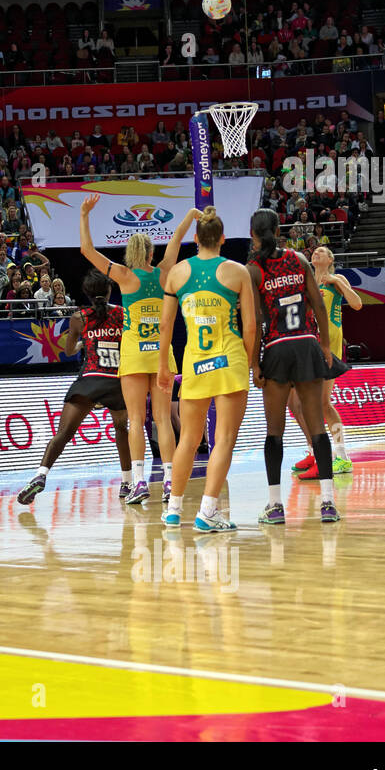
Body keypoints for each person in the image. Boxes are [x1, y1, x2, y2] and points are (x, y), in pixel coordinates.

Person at [79, 195, 200, 505]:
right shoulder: (162, 273)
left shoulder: (123, 276)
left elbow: (86, 251)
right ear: (150, 252)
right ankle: (171, 481)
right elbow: (176, 238)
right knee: (162, 419)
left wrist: (84, 215)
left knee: (135, 420)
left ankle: (140, 481)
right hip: (161, 354)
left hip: (134, 354)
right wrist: (190, 215)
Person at [156, 207, 259, 532]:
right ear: (223, 239)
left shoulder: (177, 274)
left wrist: (162, 366)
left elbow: (166, 324)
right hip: (229, 360)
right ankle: (208, 511)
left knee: (187, 438)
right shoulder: (237, 271)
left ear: (196, 238)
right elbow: (251, 327)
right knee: (223, 439)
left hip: (194, 363)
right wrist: (248, 360)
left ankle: (173, 510)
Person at [246, 210, 343, 525]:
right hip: (306, 345)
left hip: (276, 348)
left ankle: (275, 506)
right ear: (277, 229)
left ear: (254, 235)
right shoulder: (299, 260)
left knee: (274, 432)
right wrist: (325, 346)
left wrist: (254, 362)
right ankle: (328, 502)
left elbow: (256, 322)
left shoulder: (254, 270)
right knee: (317, 426)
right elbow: (318, 304)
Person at [17, 272, 135, 505]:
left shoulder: (79, 316)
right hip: (116, 380)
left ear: (87, 293)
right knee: (121, 429)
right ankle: (127, 482)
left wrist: (85, 340)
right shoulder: (122, 314)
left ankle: (41, 474)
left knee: (63, 434)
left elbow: (69, 351)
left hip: (90, 380)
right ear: (110, 291)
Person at [290, 246, 364, 479]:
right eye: (315, 251)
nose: (317, 253)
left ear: (331, 259)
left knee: (323, 403)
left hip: (329, 347)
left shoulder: (337, 279)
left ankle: (342, 456)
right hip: (307, 346)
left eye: (322, 251)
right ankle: (313, 451)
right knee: (295, 405)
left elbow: (357, 304)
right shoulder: (306, 280)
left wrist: (338, 282)